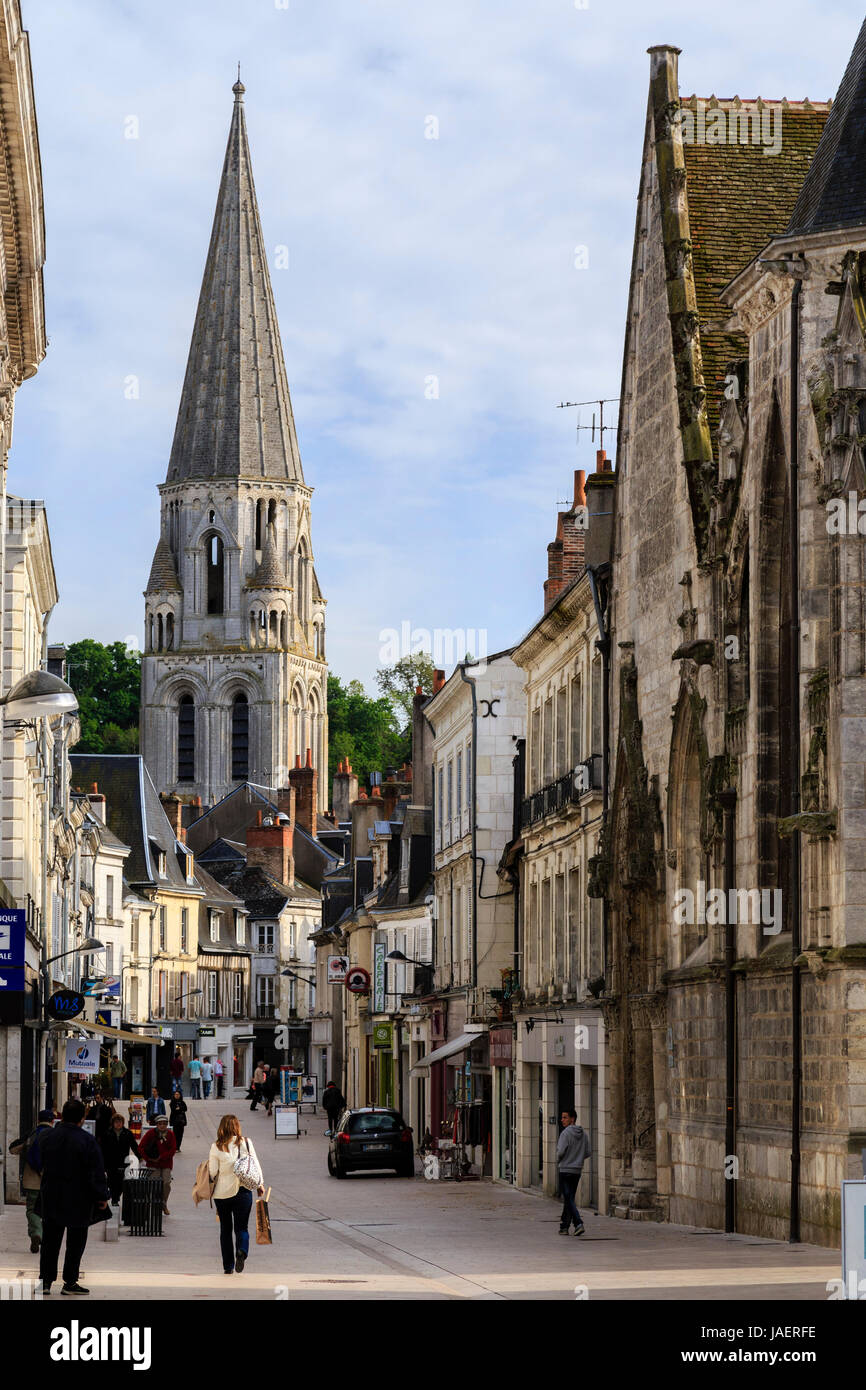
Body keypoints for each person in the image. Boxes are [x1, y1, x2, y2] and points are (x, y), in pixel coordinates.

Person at [33, 1098, 109, 1296]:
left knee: (50, 1241)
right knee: (75, 1242)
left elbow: (39, 1160)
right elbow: (96, 1171)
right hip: (79, 1198)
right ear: (82, 1118)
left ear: (62, 1115)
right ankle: (70, 1281)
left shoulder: (47, 1136)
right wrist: (102, 1196)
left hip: (51, 1195)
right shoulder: (87, 1140)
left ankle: (46, 1281)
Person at [207, 1114, 265, 1275]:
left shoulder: (216, 1146)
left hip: (222, 1194)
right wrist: (260, 1184)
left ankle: (228, 1266)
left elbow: (212, 1172)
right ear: (237, 1126)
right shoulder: (246, 1142)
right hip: (243, 1191)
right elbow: (255, 1164)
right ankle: (242, 1251)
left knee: (225, 1229)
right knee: (242, 1228)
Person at [9, 1109, 55, 1252]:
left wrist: (26, 1150)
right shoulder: (55, 1135)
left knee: (32, 1209)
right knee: (50, 1211)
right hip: (51, 1180)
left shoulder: (31, 1135)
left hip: (31, 1180)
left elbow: (12, 1149)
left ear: (38, 1120)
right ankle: (48, 1240)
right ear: (52, 1121)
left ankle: (36, 1233)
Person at [557, 1108, 590, 1237]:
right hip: (577, 1170)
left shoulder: (565, 1133)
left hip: (565, 1169)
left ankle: (578, 1223)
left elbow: (560, 1152)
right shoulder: (584, 1134)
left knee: (568, 1198)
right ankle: (564, 1226)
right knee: (569, 1198)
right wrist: (577, 1158)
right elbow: (588, 1152)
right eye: (562, 1117)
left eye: (565, 1117)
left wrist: (560, 1159)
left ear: (572, 1119)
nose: (562, 1120)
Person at [139, 1113, 177, 1215]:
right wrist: (148, 1159)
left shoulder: (170, 1134)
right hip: (152, 1164)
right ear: (157, 1124)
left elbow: (173, 1149)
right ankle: (154, 1204)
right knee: (153, 1184)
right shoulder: (151, 1133)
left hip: (166, 1163)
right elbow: (141, 1147)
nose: (162, 1126)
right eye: (160, 1124)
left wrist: (162, 1157)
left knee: (166, 1184)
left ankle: (163, 1203)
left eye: (164, 1124)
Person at [100, 1112, 140, 1206]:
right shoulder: (107, 1133)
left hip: (123, 1161)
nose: (118, 1124)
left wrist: (140, 1157)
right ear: (113, 1123)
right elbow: (102, 1148)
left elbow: (134, 1146)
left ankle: (116, 1196)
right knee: (111, 1181)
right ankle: (114, 1199)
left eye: (120, 1122)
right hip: (110, 1162)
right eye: (116, 1122)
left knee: (121, 1182)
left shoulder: (128, 1133)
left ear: (123, 1123)